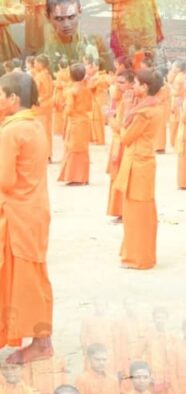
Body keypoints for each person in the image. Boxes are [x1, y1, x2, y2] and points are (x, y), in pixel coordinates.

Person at [0, 71, 54, 363]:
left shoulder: (11, 131)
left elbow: (5, 180)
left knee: (27, 280)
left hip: (18, 215)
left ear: (13, 98)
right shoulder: (34, 124)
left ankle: (41, 343)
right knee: (32, 276)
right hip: (32, 210)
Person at [113, 68, 163, 270]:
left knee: (136, 213)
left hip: (138, 163)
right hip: (143, 161)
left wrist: (119, 118)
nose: (132, 86)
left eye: (135, 83)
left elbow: (126, 137)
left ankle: (137, 258)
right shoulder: (151, 106)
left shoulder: (144, 113)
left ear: (145, 87)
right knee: (142, 211)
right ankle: (140, 254)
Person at [106, 69, 136, 221]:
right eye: (117, 82)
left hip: (123, 143)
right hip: (119, 142)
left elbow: (123, 126)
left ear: (131, 83)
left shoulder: (129, 101)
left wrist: (110, 118)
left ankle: (123, 211)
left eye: (122, 82)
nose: (118, 85)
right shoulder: (124, 98)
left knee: (121, 177)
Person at [58, 63, 92, 185]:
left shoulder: (71, 91)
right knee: (83, 149)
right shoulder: (86, 89)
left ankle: (76, 177)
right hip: (84, 120)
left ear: (70, 76)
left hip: (75, 122)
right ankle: (83, 177)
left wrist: (64, 109)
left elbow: (69, 109)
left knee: (73, 148)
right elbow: (89, 106)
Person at [31, 55, 54, 160]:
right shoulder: (48, 75)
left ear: (40, 64)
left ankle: (43, 154)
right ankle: (48, 153)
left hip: (40, 107)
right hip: (48, 106)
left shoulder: (39, 76)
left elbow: (35, 92)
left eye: (35, 63)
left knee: (40, 131)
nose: (34, 65)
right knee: (47, 131)